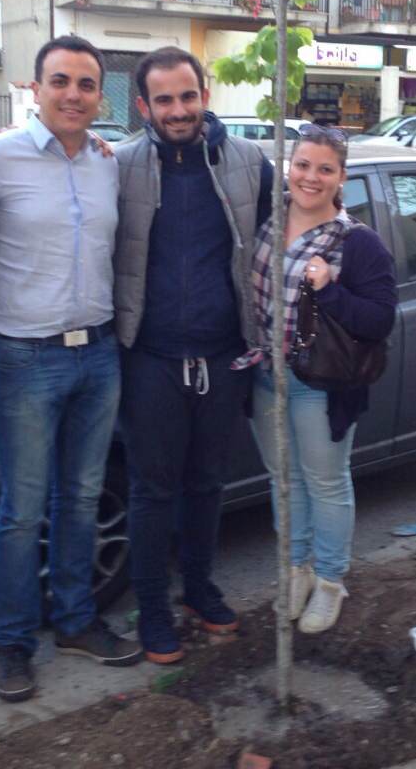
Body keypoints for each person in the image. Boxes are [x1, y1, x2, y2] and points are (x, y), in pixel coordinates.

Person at [0, 35, 142, 703]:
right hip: (23, 357)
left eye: (85, 83)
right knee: (20, 511)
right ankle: (13, 645)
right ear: (35, 88)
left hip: (98, 353)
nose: (73, 94)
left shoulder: (110, 163)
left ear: (100, 94)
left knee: (79, 498)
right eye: (60, 81)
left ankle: (75, 621)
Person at [113, 47, 273, 664]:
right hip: (149, 359)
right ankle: (153, 607)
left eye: (187, 96)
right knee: (153, 492)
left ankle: (200, 589)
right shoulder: (120, 166)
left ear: (204, 95)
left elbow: (292, 225)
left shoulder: (249, 163)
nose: (178, 110)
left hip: (225, 356)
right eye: (164, 100)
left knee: (208, 484)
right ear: (146, 106)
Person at [248, 125, 396, 633]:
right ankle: (298, 569)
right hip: (266, 375)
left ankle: (330, 581)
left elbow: (379, 319)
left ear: (341, 178)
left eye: (325, 169)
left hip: (322, 384)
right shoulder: (266, 221)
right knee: (283, 481)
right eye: (303, 165)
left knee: (326, 483)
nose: (311, 177)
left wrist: (329, 289)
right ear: (288, 167)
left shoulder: (357, 243)